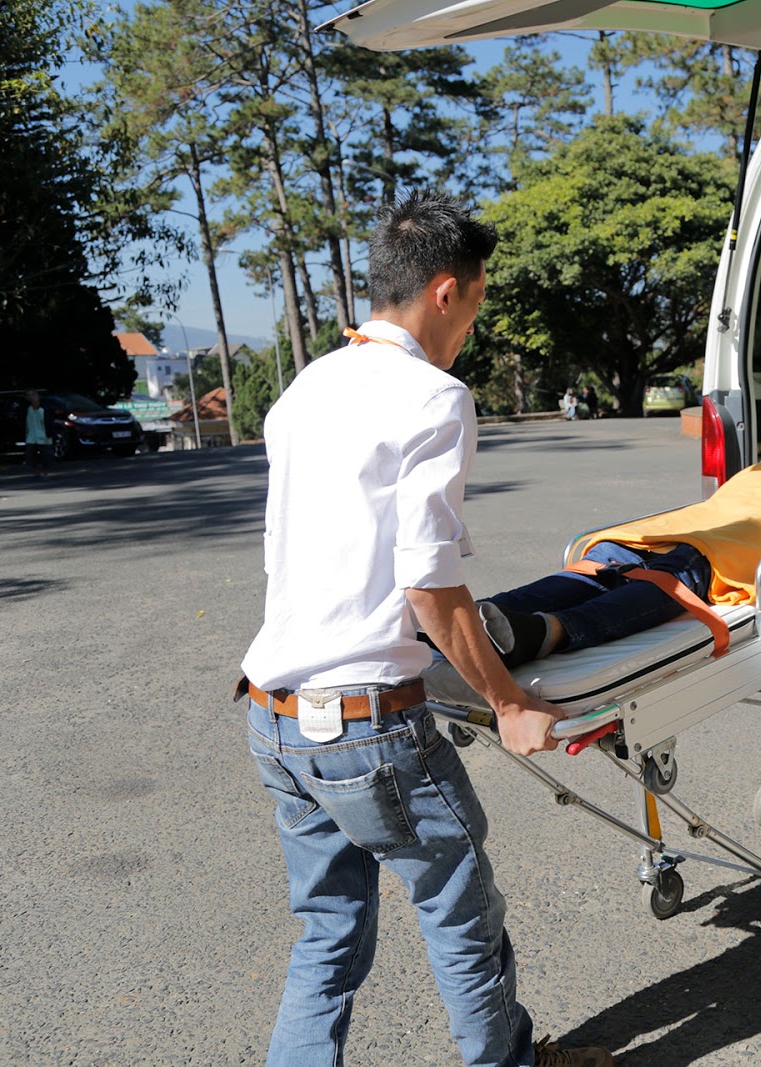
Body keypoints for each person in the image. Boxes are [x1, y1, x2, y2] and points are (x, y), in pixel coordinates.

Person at [238, 191, 613, 1067]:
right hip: (366, 728)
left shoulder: (302, 390)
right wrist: (508, 700)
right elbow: (429, 584)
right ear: (446, 291)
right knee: (461, 910)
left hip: (274, 715)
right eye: (475, 304)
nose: (471, 329)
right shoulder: (433, 397)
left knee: (328, 933)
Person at [478, 373, 761, 668]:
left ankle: (547, 632)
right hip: (737, 505)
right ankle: (478, 616)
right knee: (619, 550)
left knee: (689, 564)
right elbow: (756, 480)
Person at [22, 390, 50, 477]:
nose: (32, 397)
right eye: (29, 395)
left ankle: (45, 472)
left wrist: (49, 434)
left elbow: (49, 421)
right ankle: (36, 472)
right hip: (31, 436)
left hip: (43, 435)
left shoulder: (44, 408)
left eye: (33, 395)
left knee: (45, 455)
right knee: (31, 455)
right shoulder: (27, 409)